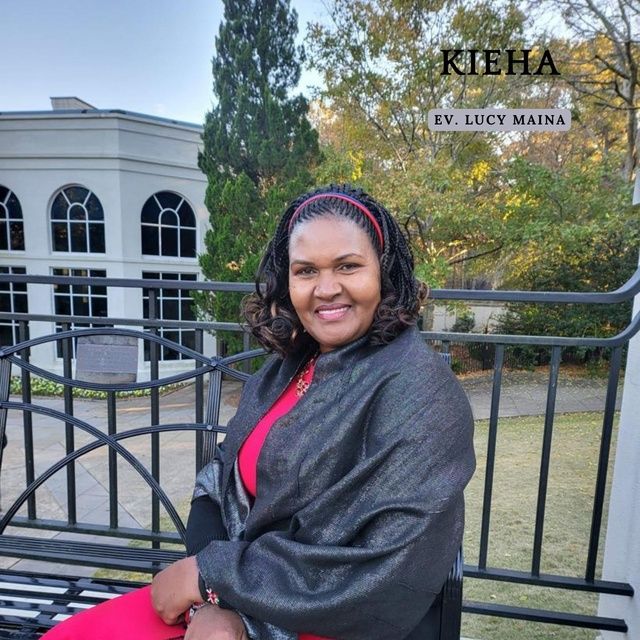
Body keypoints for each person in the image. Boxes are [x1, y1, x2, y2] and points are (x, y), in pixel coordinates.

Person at [43, 184, 475, 640]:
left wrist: (215, 585)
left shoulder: (422, 392)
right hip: (233, 594)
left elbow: (382, 566)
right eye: (306, 271)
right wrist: (210, 594)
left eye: (348, 266)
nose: (327, 288)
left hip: (324, 620)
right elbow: (220, 478)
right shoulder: (287, 368)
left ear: (383, 273)